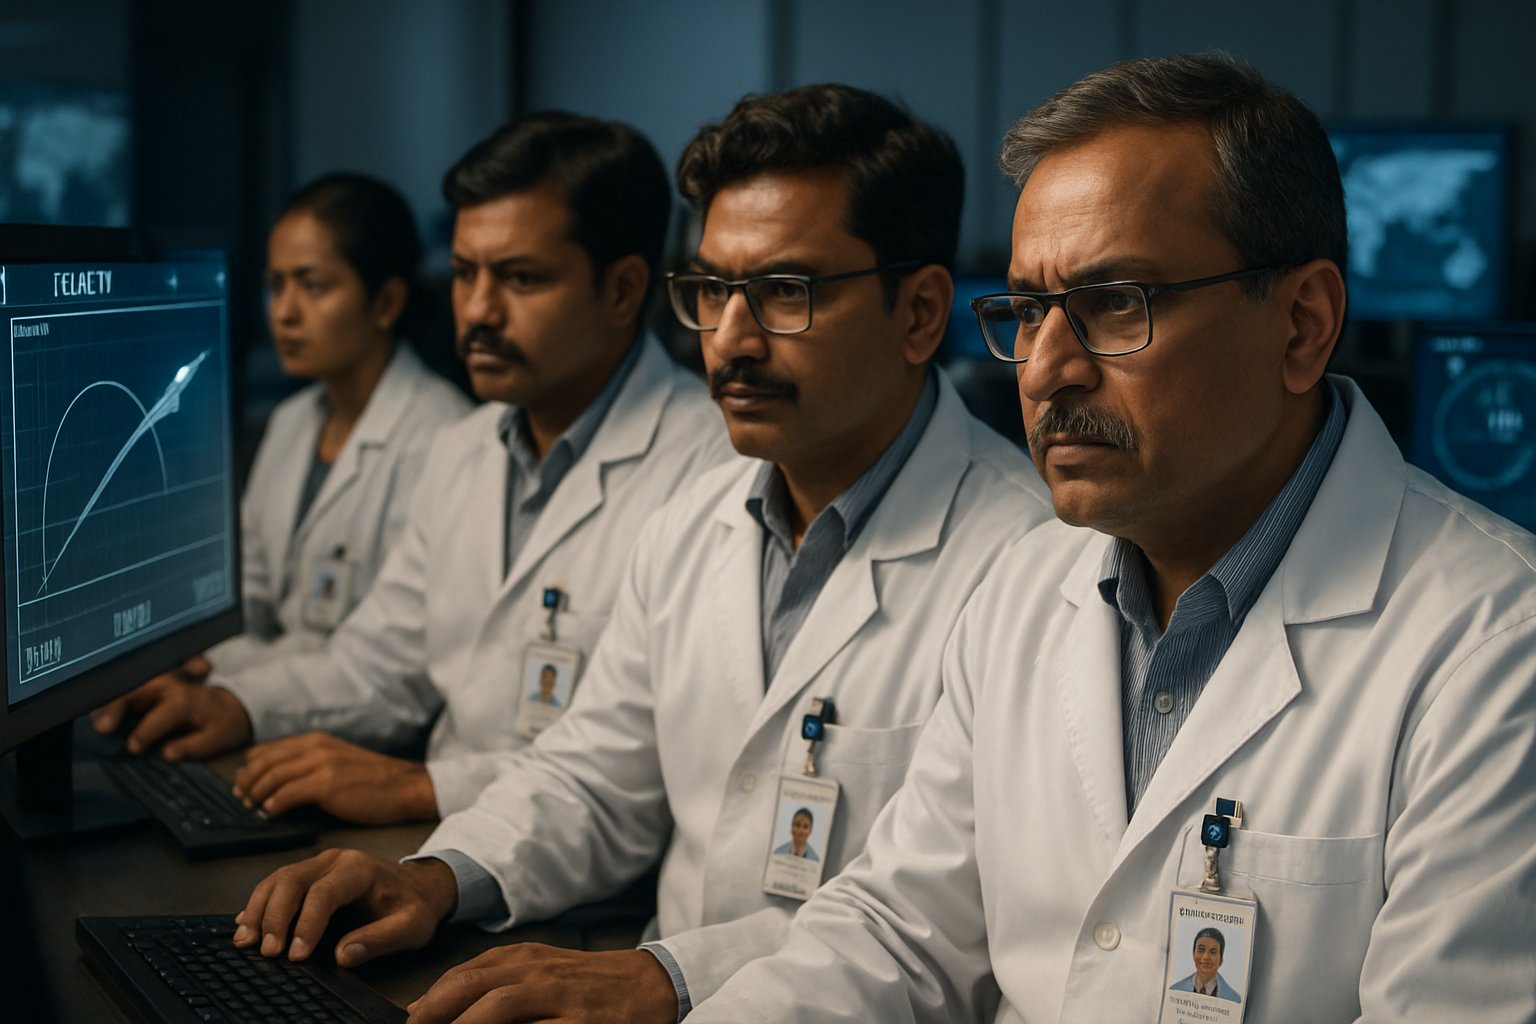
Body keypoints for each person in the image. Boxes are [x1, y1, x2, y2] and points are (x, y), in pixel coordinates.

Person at [686, 54, 1536, 1023]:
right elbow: (902, 929)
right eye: (1028, 311)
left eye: (1115, 304)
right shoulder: (1020, 590)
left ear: (1303, 325)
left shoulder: (1496, 647)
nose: (1046, 370)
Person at [229, 83, 1053, 1023]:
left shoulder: (1026, 561)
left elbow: (946, 918)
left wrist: (669, 976)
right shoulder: (695, 519)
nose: (730, 341)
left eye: (785, 292)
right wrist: (438, 877)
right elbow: (596, 773)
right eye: (710, 290)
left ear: (919, 314)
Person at [91, 112, 730, 826]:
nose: (478, 311)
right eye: (463, 274)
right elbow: (378, 664)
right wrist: (235, 706)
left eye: (520, 278)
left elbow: (640, 761)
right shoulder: (469, 449)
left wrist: (418, 788)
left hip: (581, 888)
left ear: (622, 291)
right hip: (457, 840)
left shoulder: (711, 473)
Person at [129, 174, 473, 691]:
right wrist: (198, 663)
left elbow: (385, 657)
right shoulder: (292, 422)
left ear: (386, 303)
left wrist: (226, 681)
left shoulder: (445, 437)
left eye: (313, 286)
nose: (284, 313)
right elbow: (247, 594)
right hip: (270, 693)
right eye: (276, 285)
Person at [1169, 927, 1240, 1002]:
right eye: (1201, 950)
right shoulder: (1175, 991)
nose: (1206, 957)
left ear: (1221, 960)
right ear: (1193, 954)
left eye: (1213, 952)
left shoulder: (1233, 999)